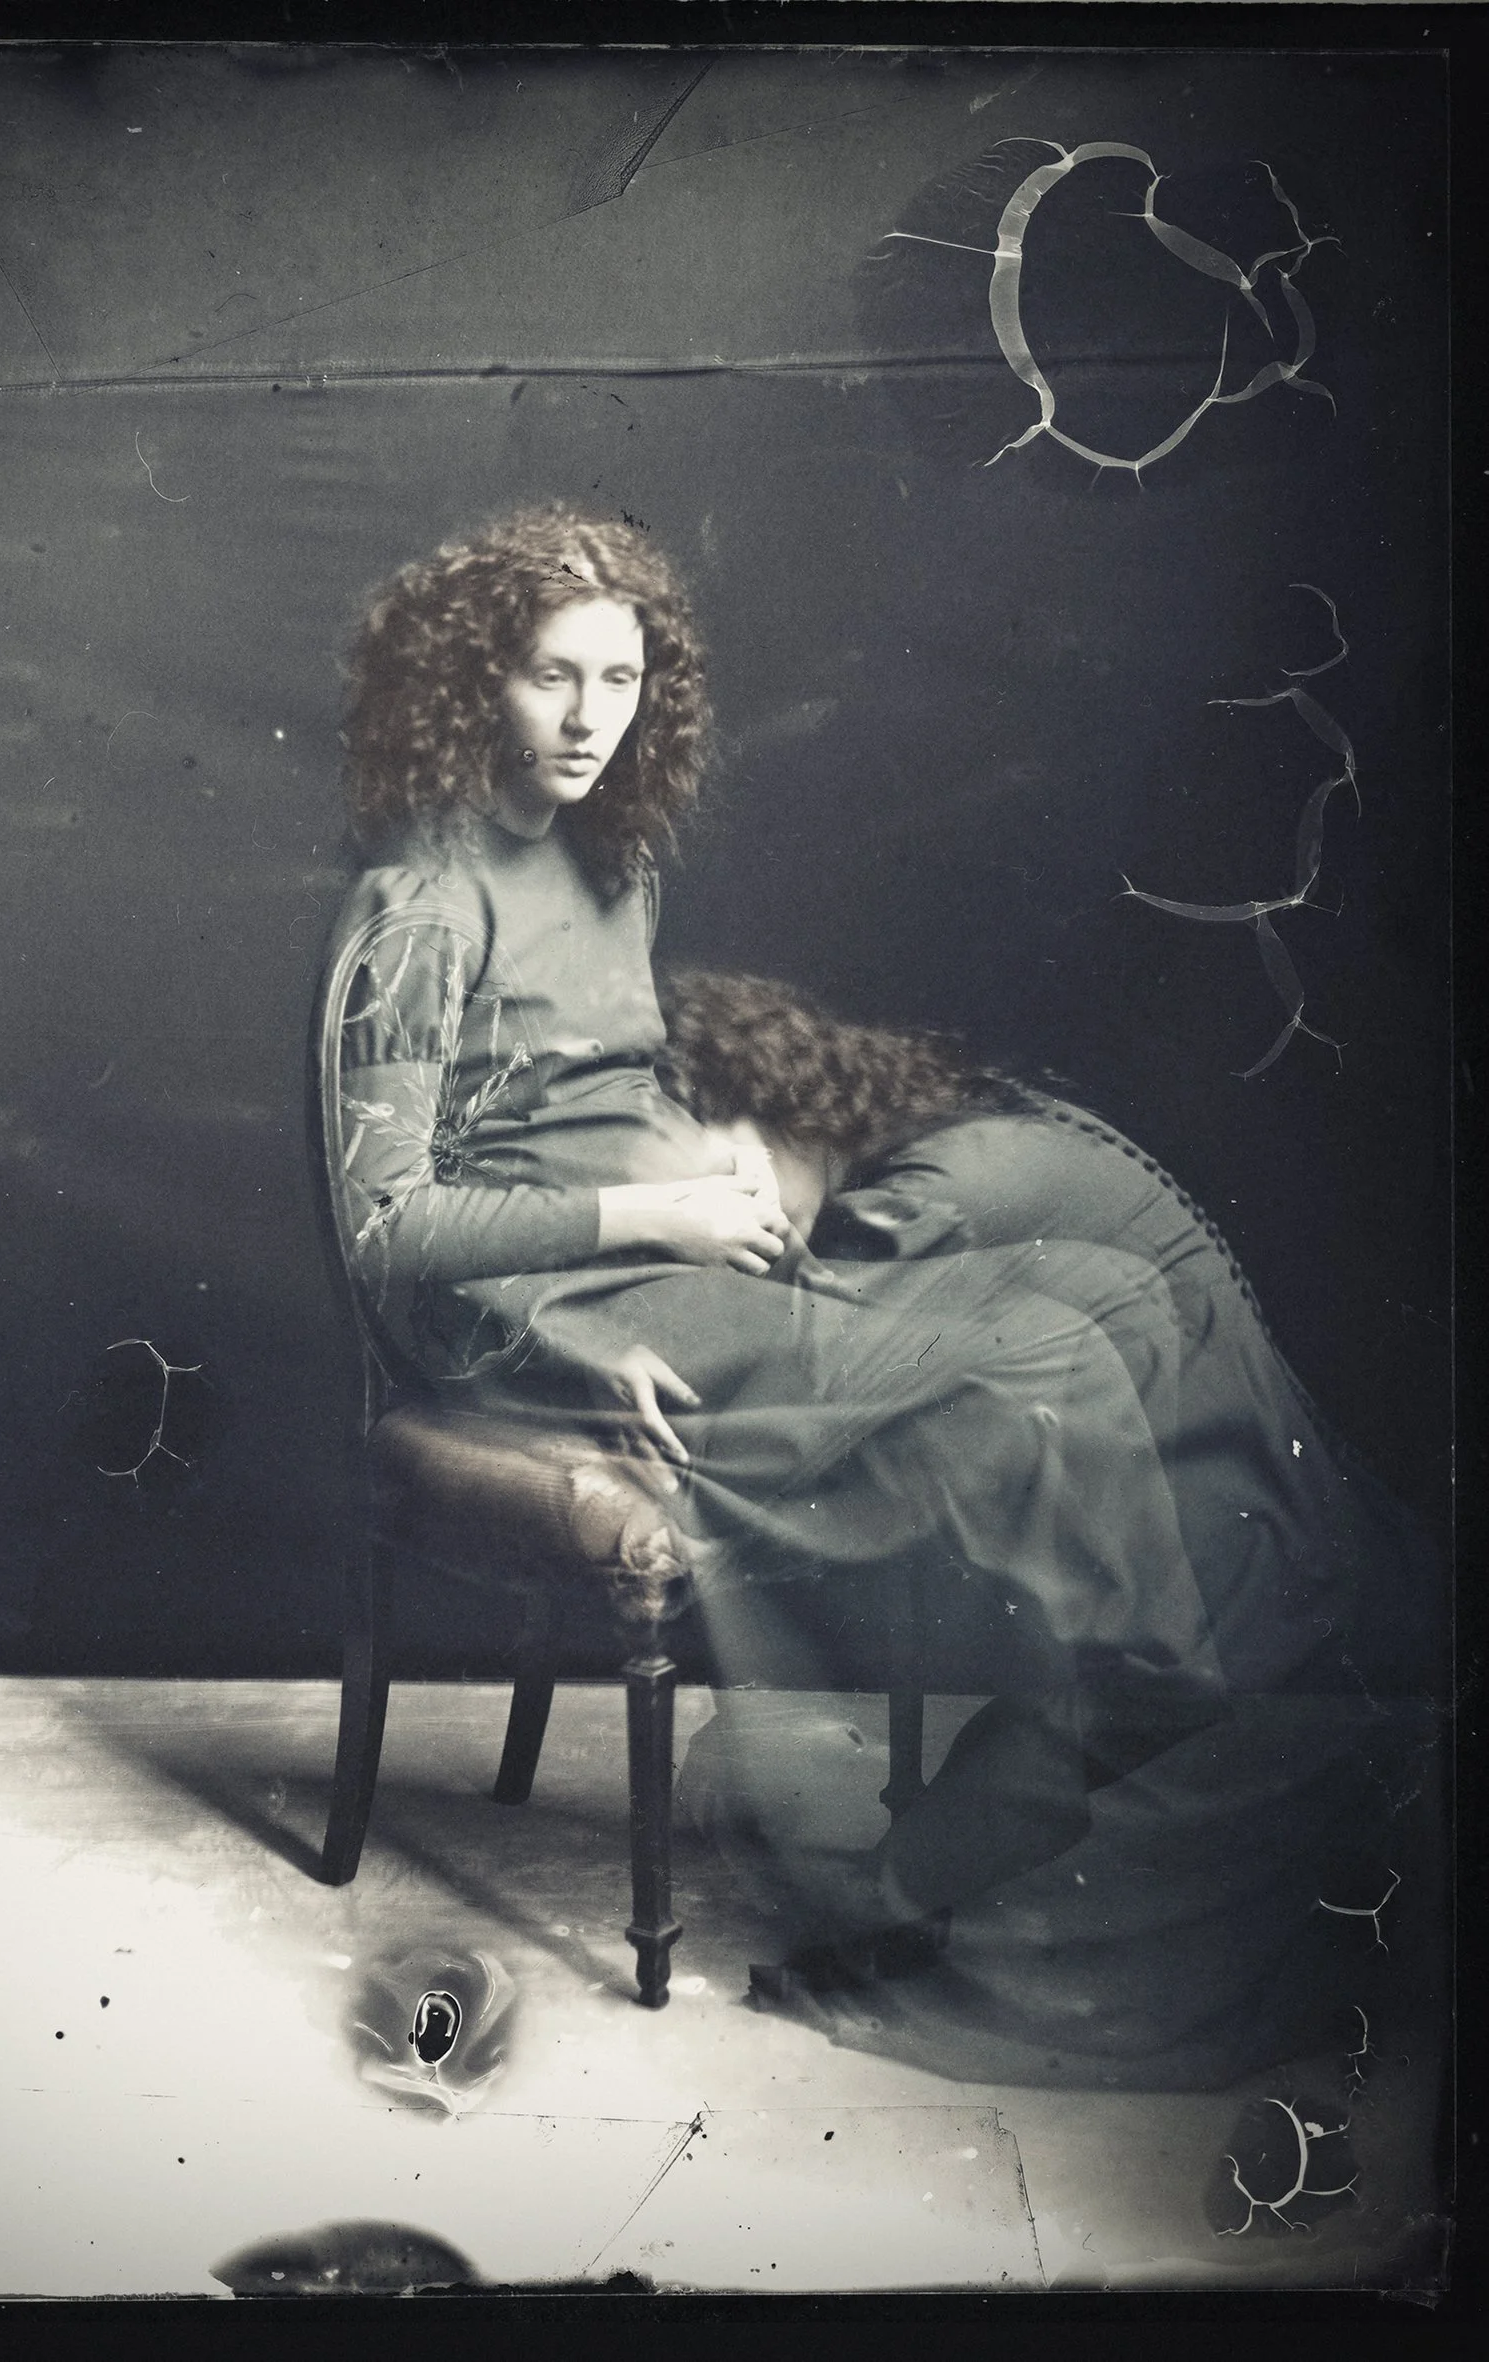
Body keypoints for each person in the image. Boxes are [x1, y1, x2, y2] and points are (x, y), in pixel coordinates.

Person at [321, 505, 1409, 2081]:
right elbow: (387, 1234)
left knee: (1102, 1302)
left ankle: (1099, 1722)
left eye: (617, 679)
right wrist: (631, 1263)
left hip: (660, 1266)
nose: (583, 719)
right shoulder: (419, 910)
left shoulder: (606, 870)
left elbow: (601, 1107)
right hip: (533, 1326)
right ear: (471, 677)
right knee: (1038, 1372)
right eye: (549, 676)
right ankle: (1010, 1808)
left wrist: (715, 1188)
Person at [656, 967, 1442, 2088]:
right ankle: (913, 1889)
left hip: (1214, 1530)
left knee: (1045, 1894)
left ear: (768, 1093)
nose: (745, 1216)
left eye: (730, 1167)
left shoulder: (914, 1204)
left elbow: (777, 1410)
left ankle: (905, 1906)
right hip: (1256, 1486)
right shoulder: (932, 1126)